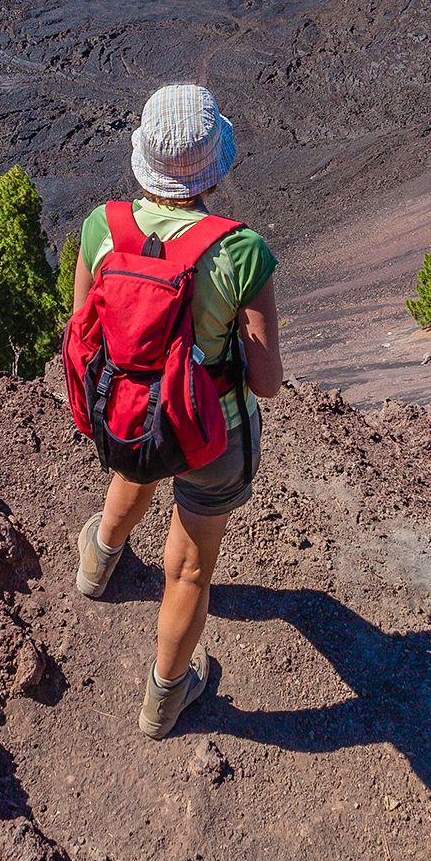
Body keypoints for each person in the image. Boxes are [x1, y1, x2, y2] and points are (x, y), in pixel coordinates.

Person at [70, 83, 282, 738]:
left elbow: (84, 327)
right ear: (214, 163)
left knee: (138, 466)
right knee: (189, 566)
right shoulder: (242, 251)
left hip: (130, 413)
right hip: (210, 431)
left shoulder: (102, 226)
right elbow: (268, 380)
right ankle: (165, 699)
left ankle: (97, 565)